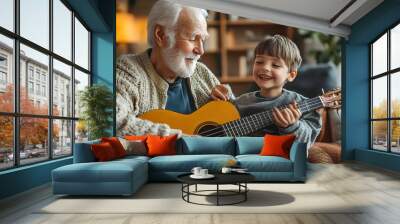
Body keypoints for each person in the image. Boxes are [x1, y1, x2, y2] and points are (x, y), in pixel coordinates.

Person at [116, 0, 232, 137]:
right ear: (160, 35)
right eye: (193, 38)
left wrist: (229, 100)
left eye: (203, 40)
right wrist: (181, 139)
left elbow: (234, 120)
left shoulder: (201, 73)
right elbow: (114, 121)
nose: (201, 50)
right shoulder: (128, 70)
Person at [216, 35, 322, 145]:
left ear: (291, 75)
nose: (265, 68)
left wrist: (292, 126)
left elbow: (306, 142)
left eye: (275, 65)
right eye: (259, 62)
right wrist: (221, 98)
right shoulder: (239, 102)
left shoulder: (303, 106)